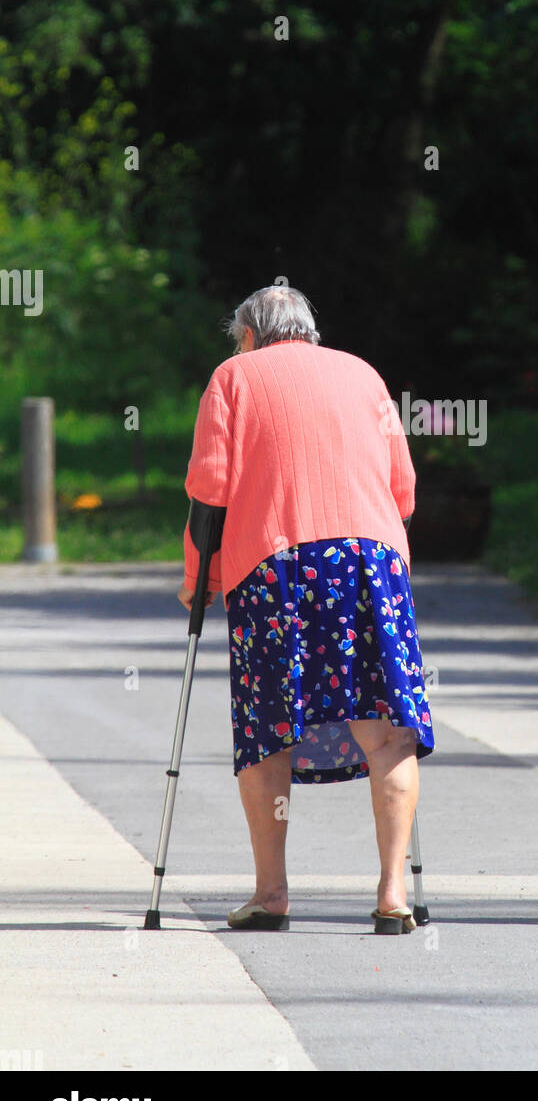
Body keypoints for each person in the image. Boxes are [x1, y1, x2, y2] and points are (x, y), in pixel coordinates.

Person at [177, 284, 433, 935]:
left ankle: (272, 893)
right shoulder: (363, 374)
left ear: (250, 335)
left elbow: (210, 490)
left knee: (270, 729)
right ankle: (393, 892)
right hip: (371, 563)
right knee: (386, 727)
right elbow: (403, 492)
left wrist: (197, 579)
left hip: (277, 566)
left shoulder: (233, 378)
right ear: (310, 332)